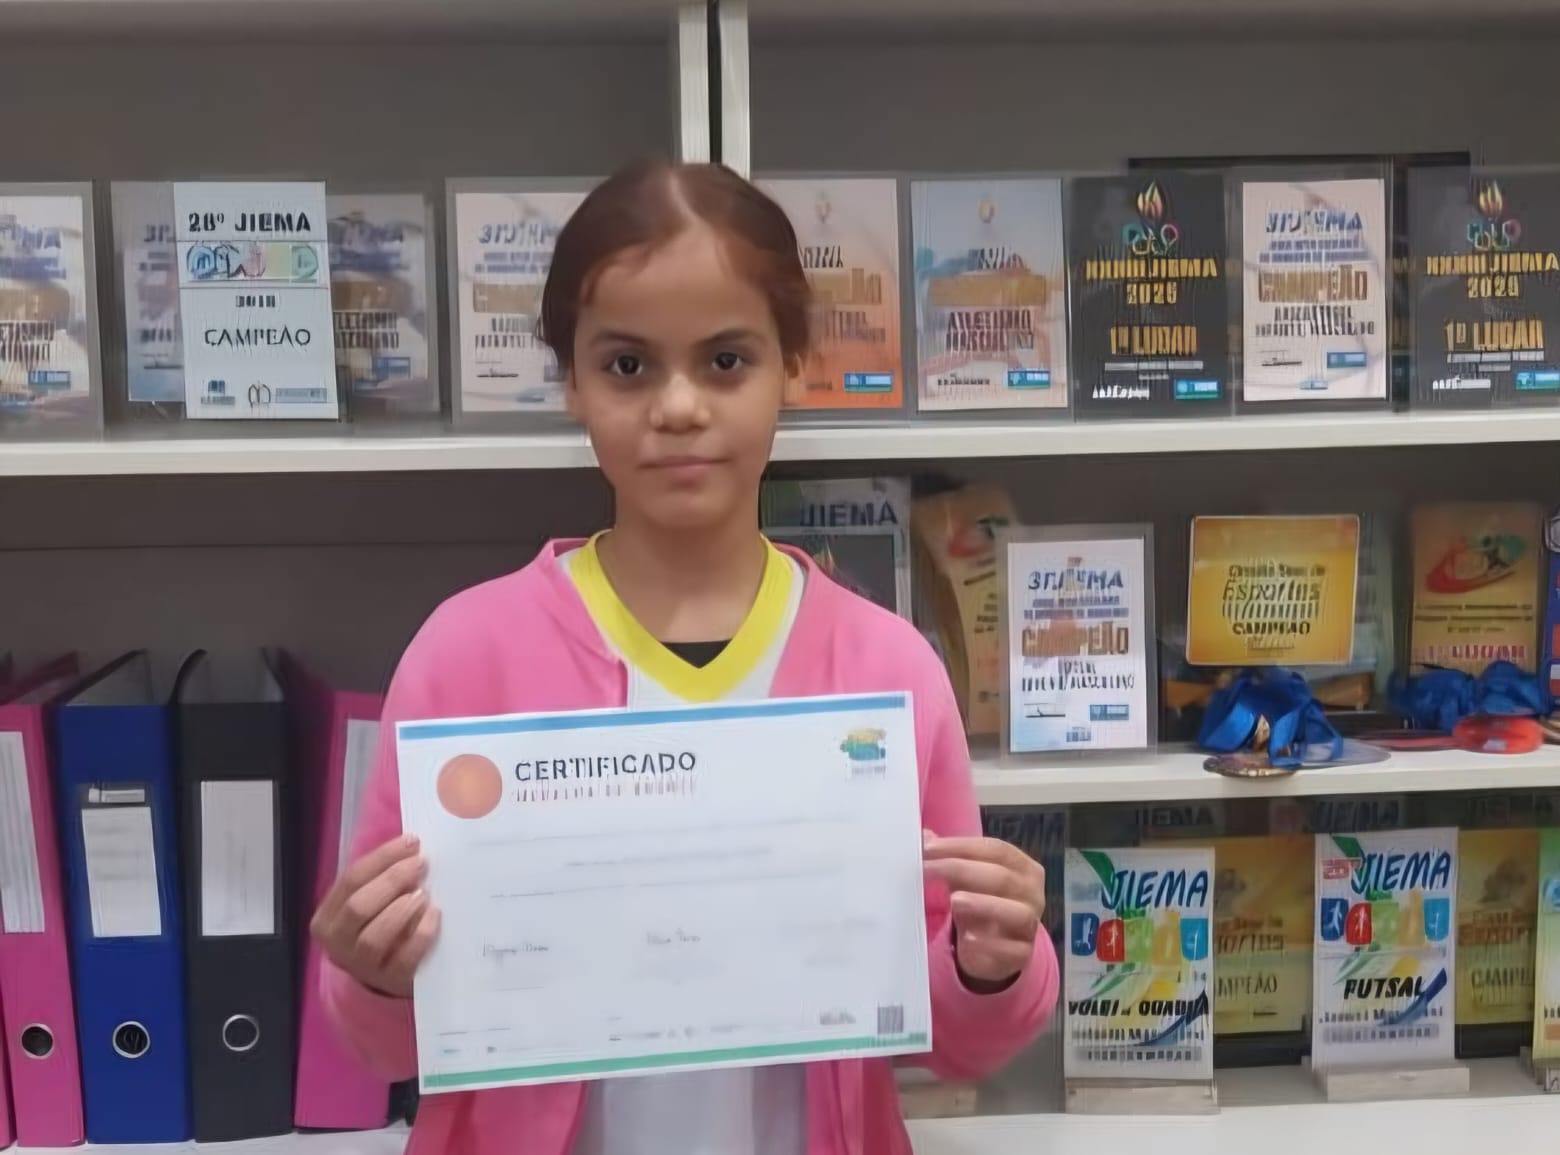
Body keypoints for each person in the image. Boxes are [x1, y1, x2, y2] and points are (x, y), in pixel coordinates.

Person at [311, 159, 1059, 1155]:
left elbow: (952, 1037)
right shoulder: (466, 656)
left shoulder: (886, 668)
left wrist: (991, 963)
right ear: (571, 382)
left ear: (794, 368)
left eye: (725, 361)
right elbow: (385, 1044)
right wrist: (373, 972)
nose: (677, 407)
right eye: (627, 365)